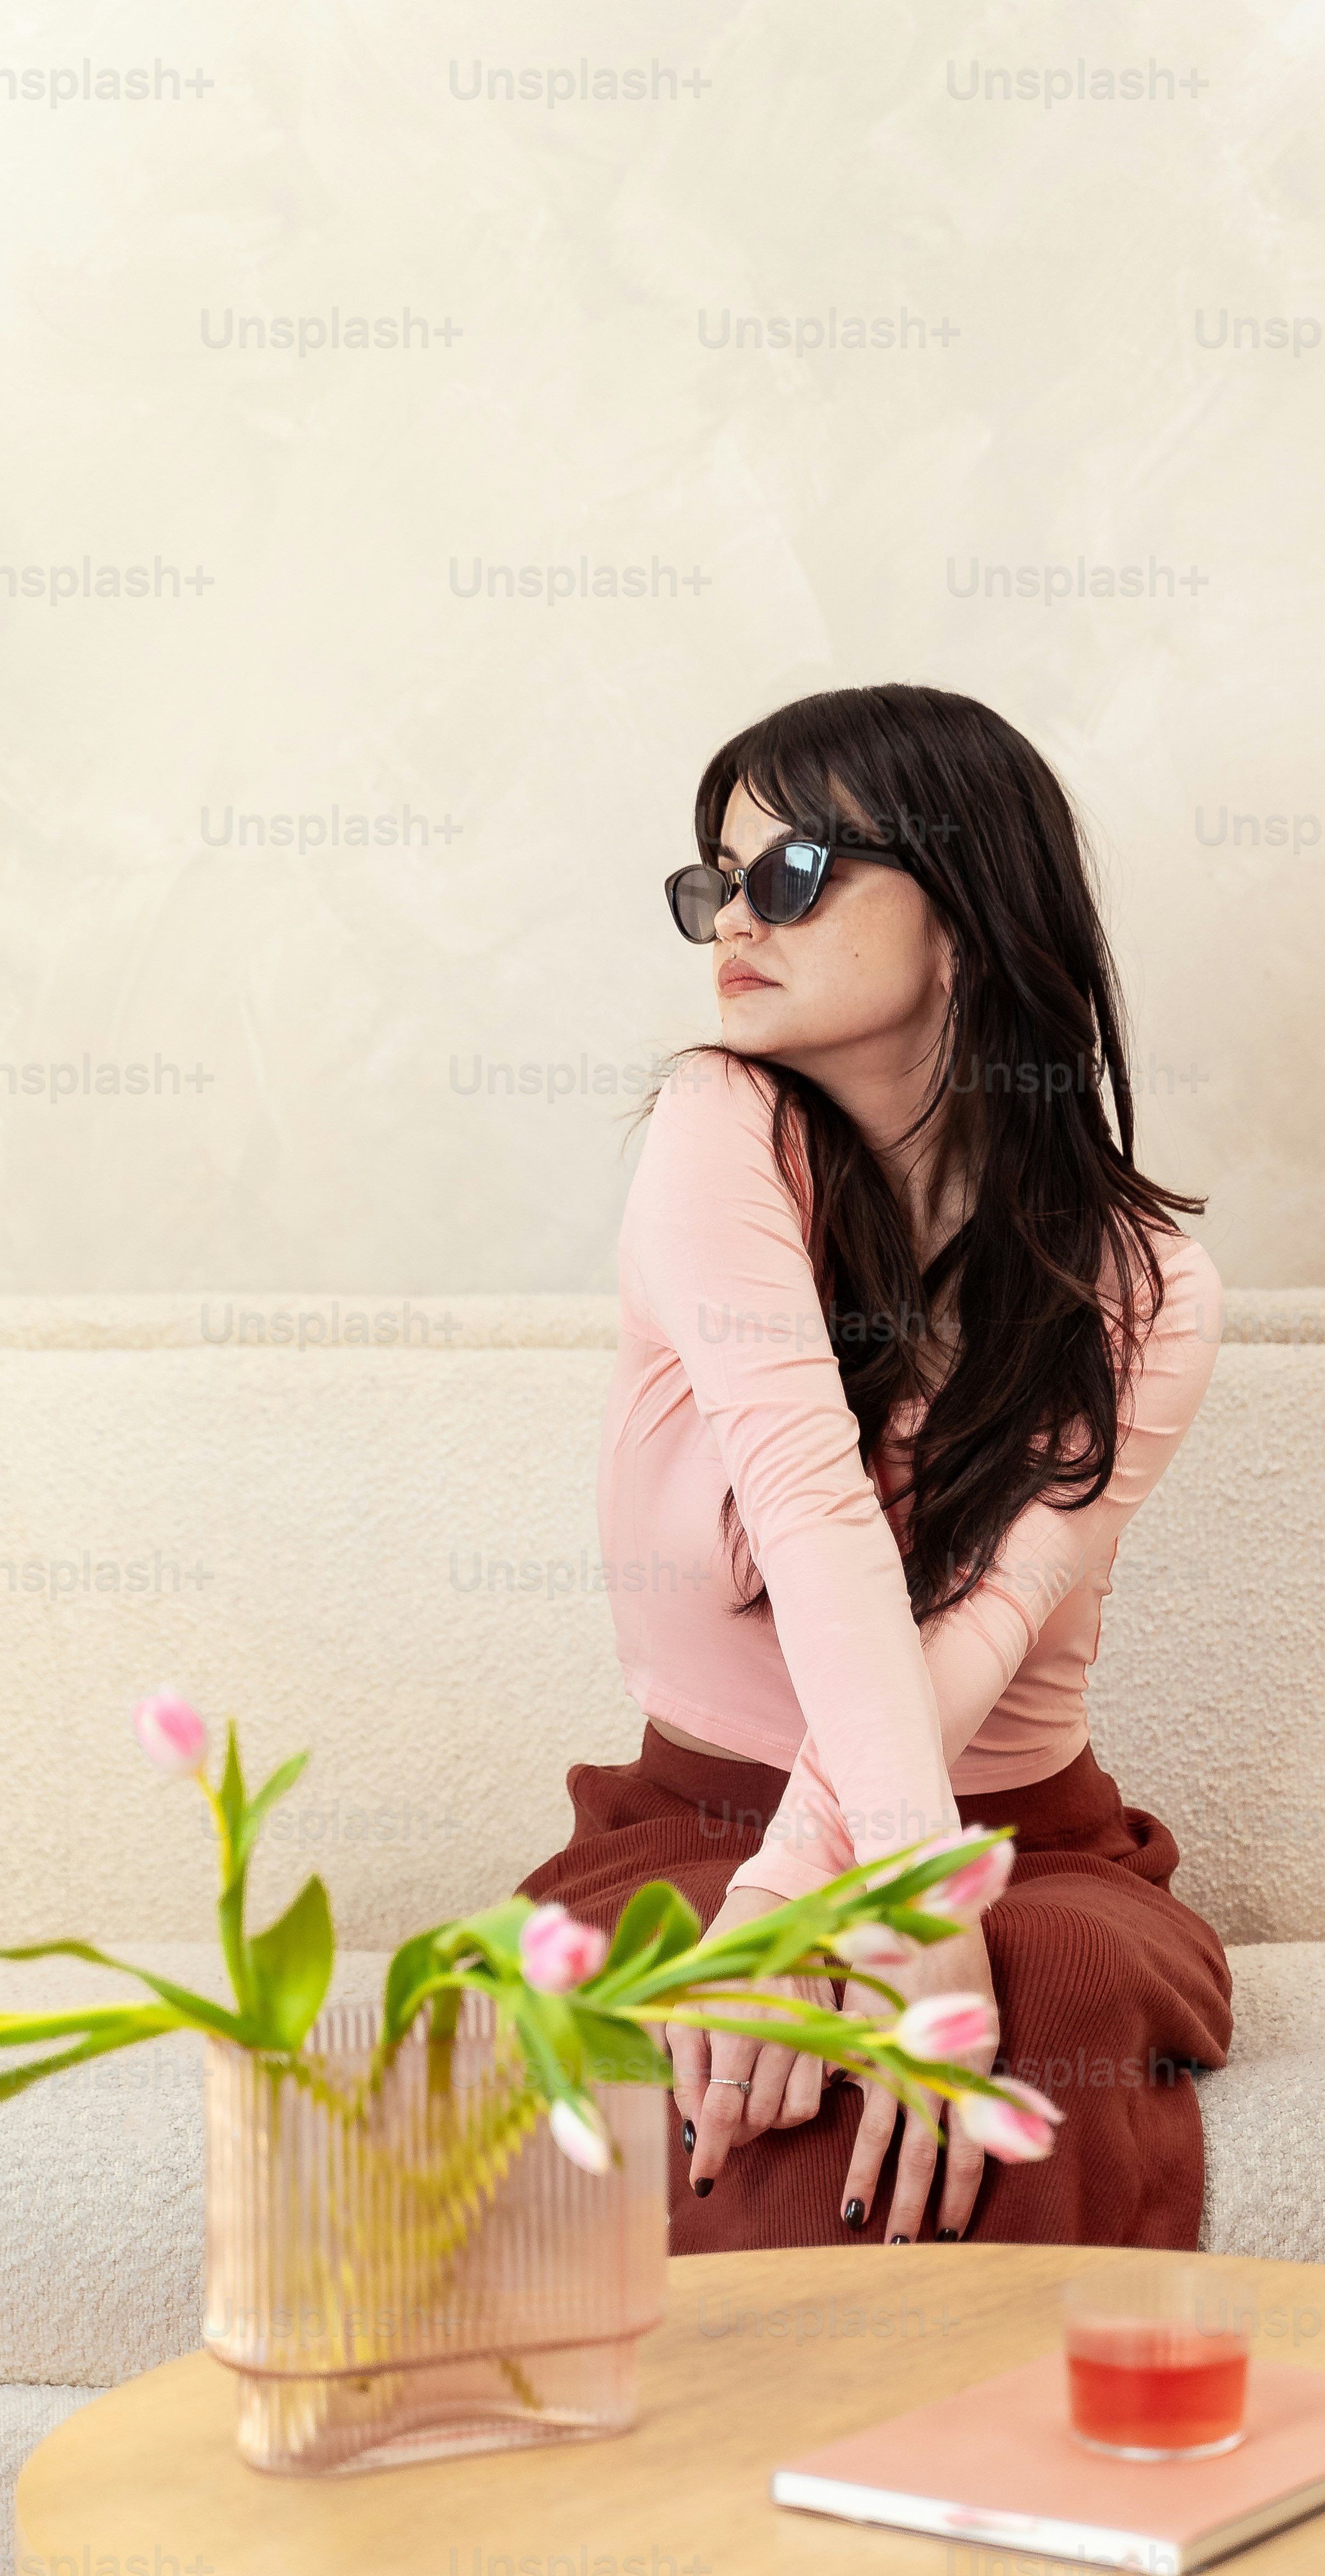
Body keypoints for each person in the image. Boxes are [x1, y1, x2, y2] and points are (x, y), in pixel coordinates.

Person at [517, 683, 1231, 2248]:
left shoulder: (1150, 1282)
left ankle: (1026, 2468)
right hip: (697, 1827)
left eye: (792, 874)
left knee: (1048, 1989)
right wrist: (804, 1908)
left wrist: (865, 1900)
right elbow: (812, 1506)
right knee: (746, 2020)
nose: (731, 920)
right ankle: (759, 2474)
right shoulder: (717, 1129)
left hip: (1028, 1835)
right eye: (716, 878)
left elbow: (987, 1624)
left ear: (966, 905)